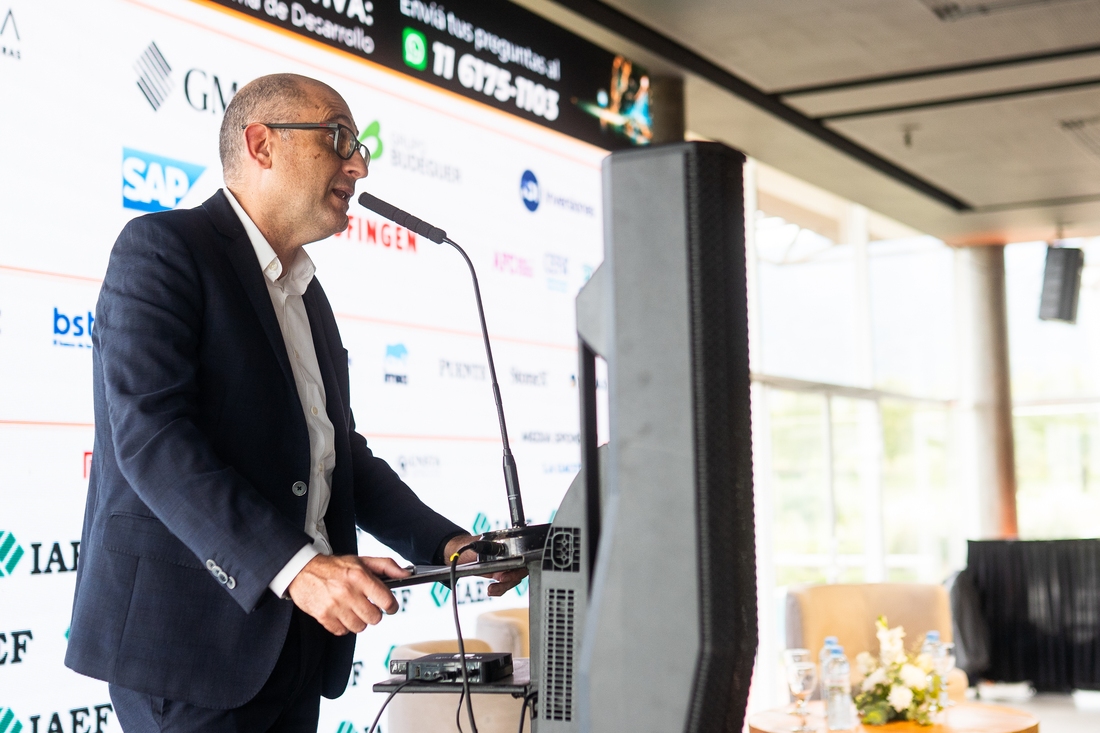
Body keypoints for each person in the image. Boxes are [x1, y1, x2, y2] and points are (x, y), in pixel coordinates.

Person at [65, 73, 523, 732]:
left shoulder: (308, 293)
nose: (359, 165)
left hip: (297, 644)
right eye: (338, 138)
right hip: (191, 650)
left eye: (359, 146)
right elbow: (153, 440)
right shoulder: (163, 249)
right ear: (262, 144)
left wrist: (448, 544)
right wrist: (301, 570)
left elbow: (339, 456)